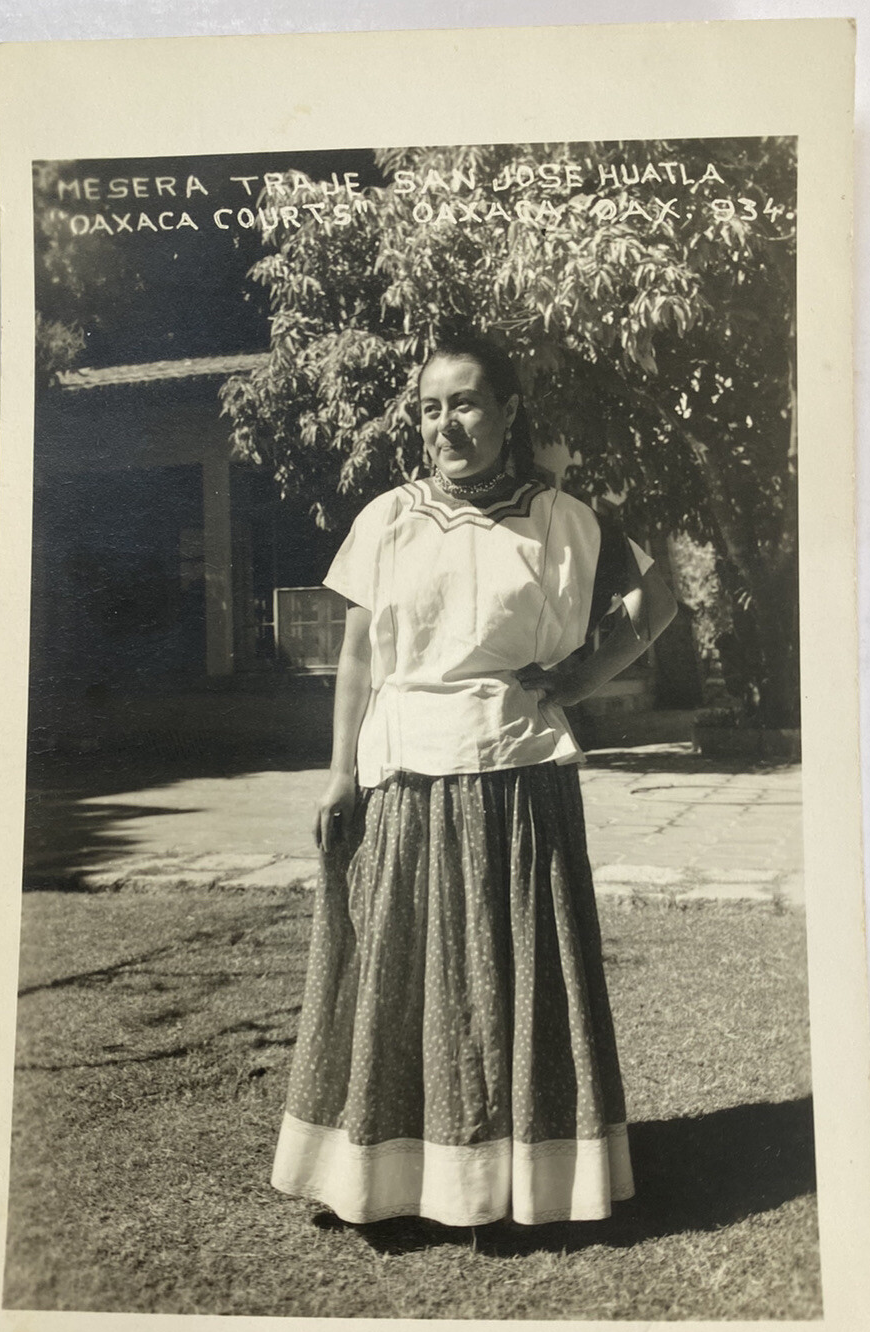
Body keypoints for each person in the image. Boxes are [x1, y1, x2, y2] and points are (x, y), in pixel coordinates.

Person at [270, 329, 677, 1228]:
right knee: (400, 974)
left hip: (518, 768)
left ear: (506, 412)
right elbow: (356, 656)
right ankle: (392, 1180)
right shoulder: (386, 517)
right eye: (427, 408)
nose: (443, 424)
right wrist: (339, 774)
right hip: (404, 772)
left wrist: (577, 679)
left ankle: (521, 1181)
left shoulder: (569, 519)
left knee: (518, 974)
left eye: (462, 403)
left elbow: (658, 603)